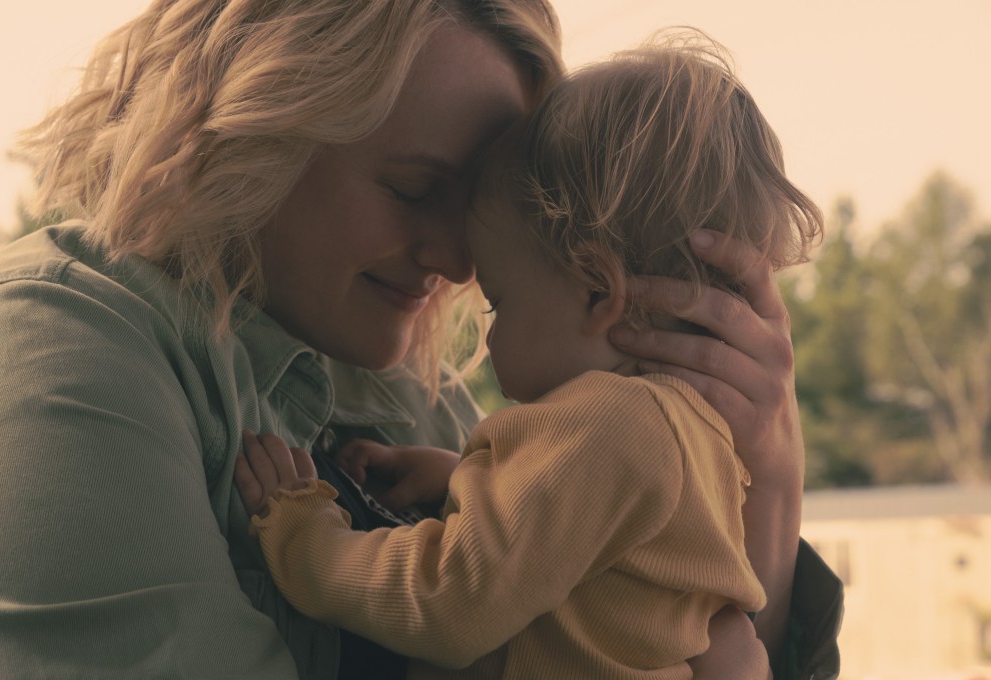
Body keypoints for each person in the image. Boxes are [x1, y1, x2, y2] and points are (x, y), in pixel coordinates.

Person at [0, 1, 841, 678]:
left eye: (475, 213)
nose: (459, 260)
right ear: (256, 128)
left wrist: (766, 491)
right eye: (415, 187)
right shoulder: (58, 351)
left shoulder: (406, 392)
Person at [233, 29, 819, 680]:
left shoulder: (612, 424)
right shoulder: (693, 435)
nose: (487, 333)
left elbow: (444, 603)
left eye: (499, 303)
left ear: (600, 291)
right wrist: (471, 478)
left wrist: (301, 528)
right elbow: (589, 560)